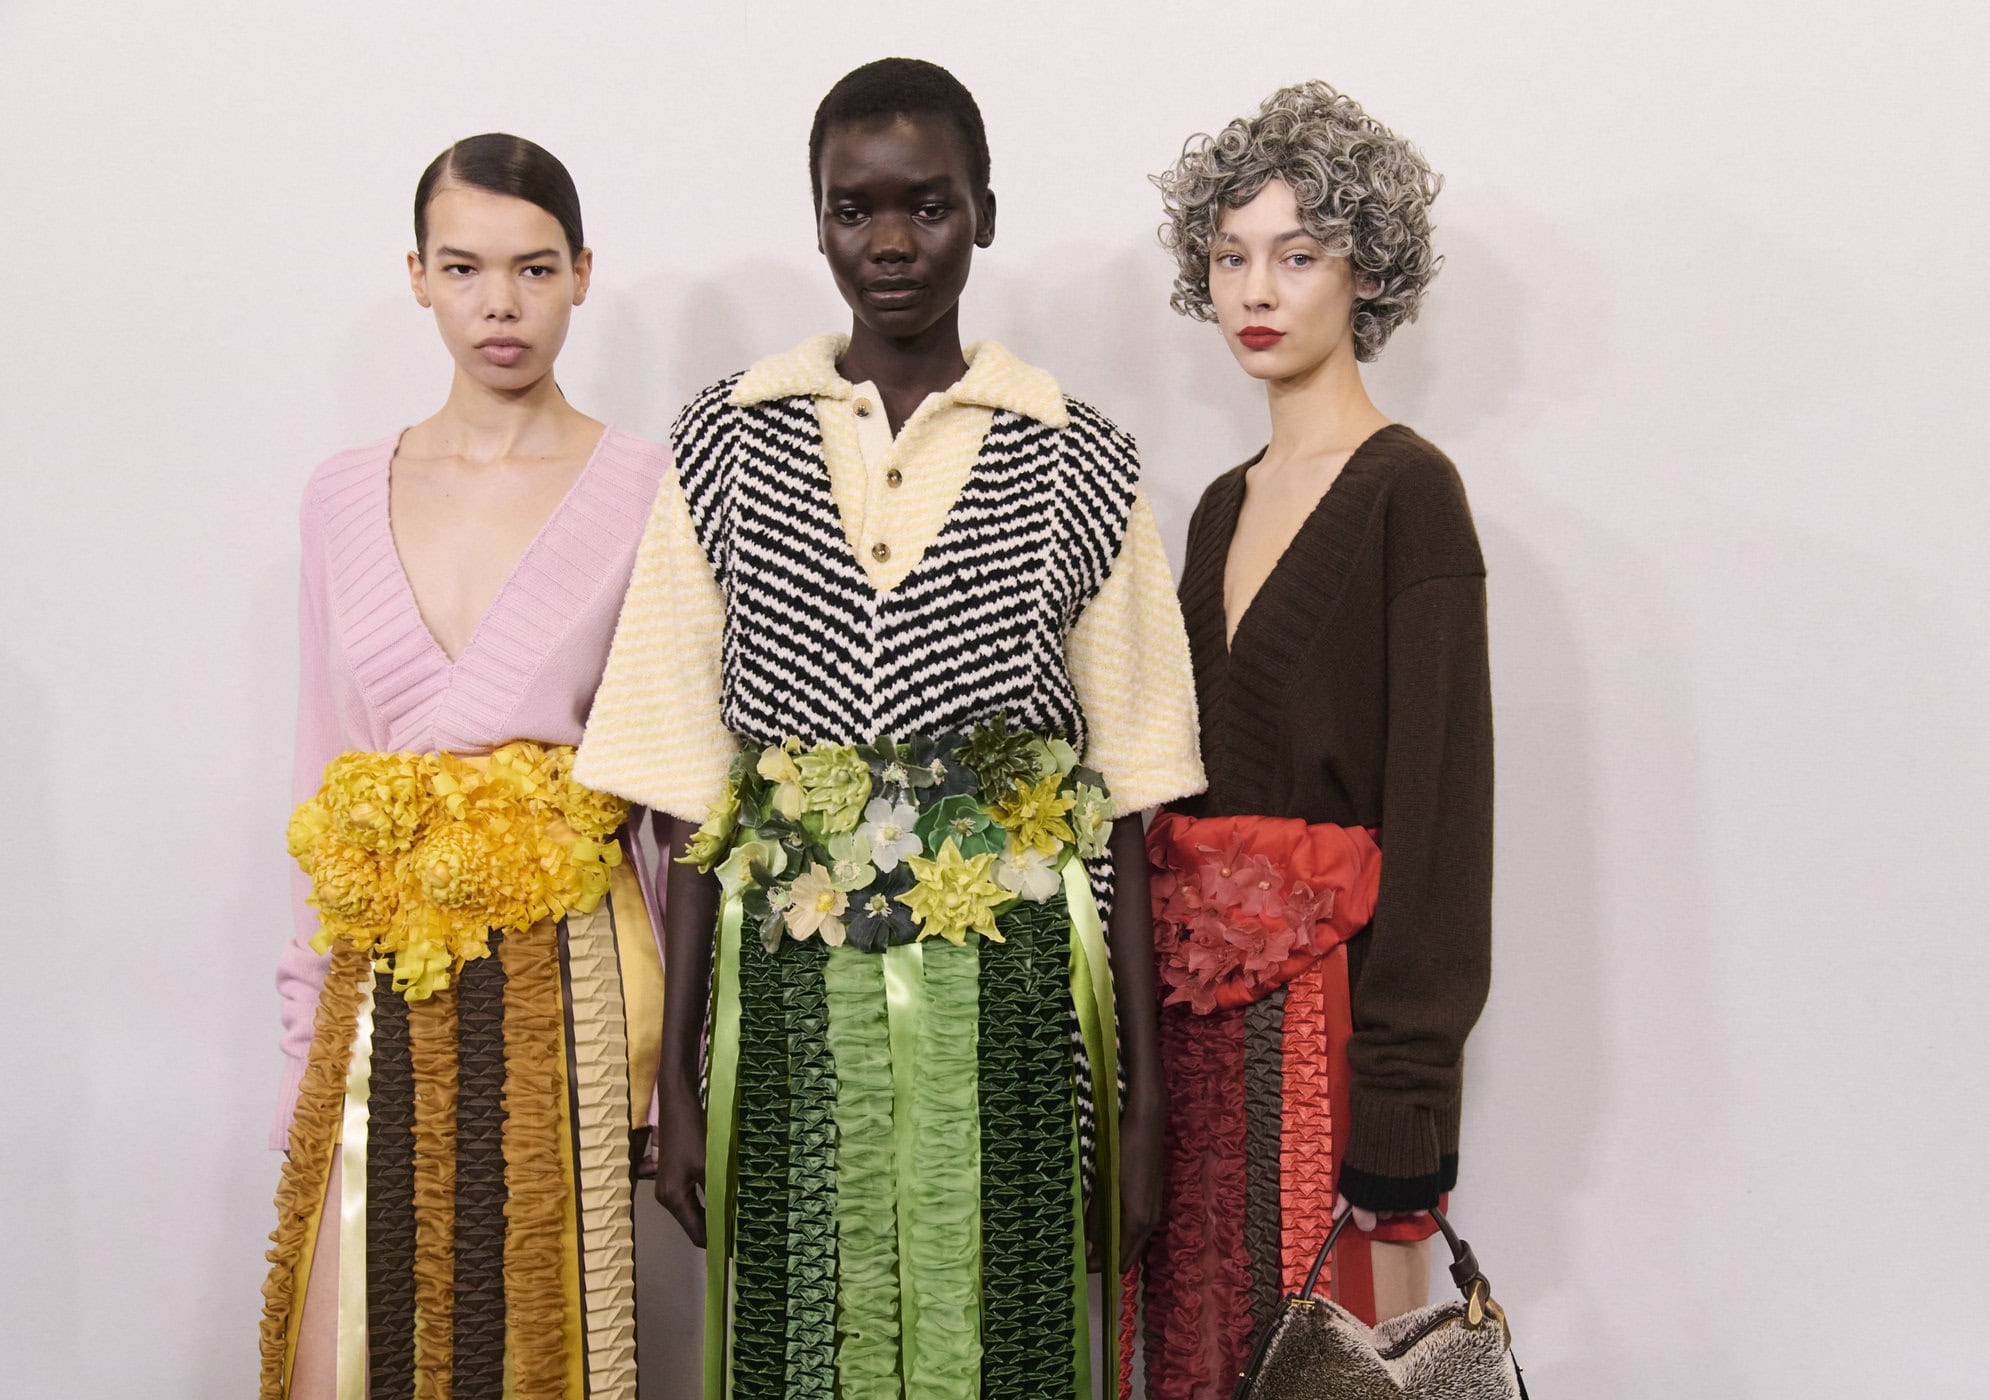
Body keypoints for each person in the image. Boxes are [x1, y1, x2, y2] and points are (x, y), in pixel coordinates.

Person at [574, 57, 1203, 1399]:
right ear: (816, 223)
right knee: (805, 1339)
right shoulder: (724, 442)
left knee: (1004, 1333)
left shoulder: (1079, 454)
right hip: (785, 1010)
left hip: (1018, 1014)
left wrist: (1142, 1104)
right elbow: (688, 796)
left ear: (985, 212)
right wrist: (677, 1080)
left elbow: (1132, 800)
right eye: (854, 210)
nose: (893, 243)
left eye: (928, 204)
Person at [259, 133, 669, 1400]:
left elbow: (668, 788)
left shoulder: (650, 486)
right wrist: (307, 1026)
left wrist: (670, 1067)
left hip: (570, 975)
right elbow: (324, 768)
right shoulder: (341, 493)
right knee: (351, 1340)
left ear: (584, 273)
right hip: (379, 966)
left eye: (534, 268)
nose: (501, 303)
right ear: (417, 275)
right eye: (465, 267)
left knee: (538, 1331)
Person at [1135, 81, 1494, 1397]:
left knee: (1334, 1365)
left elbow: (1442, 816)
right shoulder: (1218, 509)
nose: (1256, 290)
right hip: (1194, 1040)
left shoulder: (1411, 495)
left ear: (1367, 270)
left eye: (1297, 254)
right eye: (1230, 255)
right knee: (1197, 1355)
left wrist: (1406, 1101)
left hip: (1335, 1047)